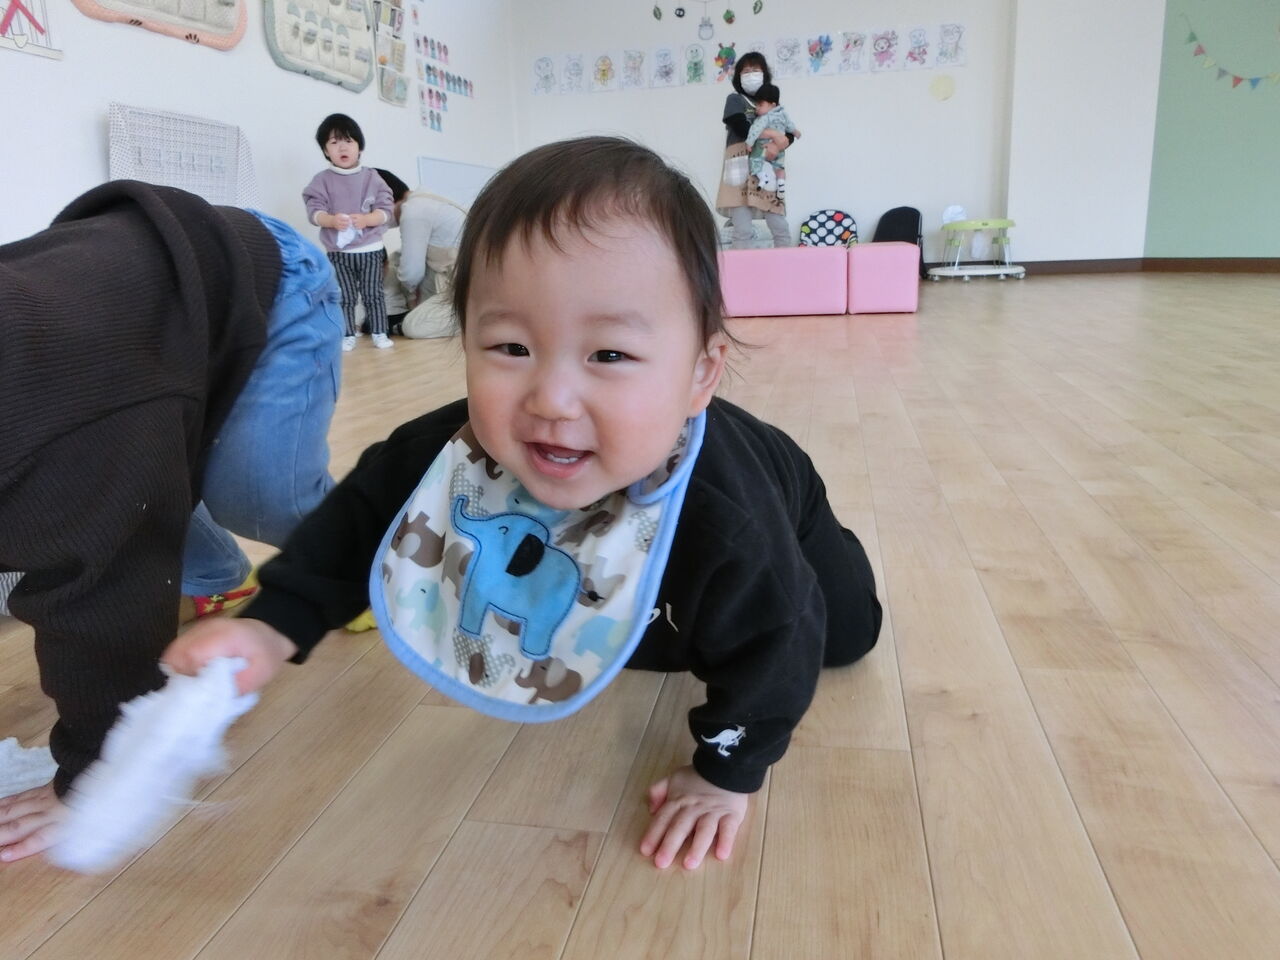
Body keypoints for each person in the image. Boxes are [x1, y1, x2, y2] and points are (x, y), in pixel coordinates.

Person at [163, 136, 883, 873]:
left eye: (609, 355)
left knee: (840, 633)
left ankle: (825, 549)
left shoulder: (734, 513)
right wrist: (273, 626)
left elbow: (781, 640)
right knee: (654, 634)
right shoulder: (448, 453)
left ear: (700, 375)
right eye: (511, 348)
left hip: (787, 505)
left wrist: (726, 774)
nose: (552, 400)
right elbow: (354, 524)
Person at [0, 180, 343, 862]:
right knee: (133, 482)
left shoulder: (49, 426)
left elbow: (103, 589)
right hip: (136, 341)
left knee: (257, 498)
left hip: (270, 279)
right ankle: (215, 574)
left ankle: (372, 554)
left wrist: (93, 770)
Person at [303, 113, 395, 351]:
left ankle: (379, 332)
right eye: (334, 142)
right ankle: (347, 333)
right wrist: (331, 220)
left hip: (371, 248)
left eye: (348, 141)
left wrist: (367, 219)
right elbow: (314, 211)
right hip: (338, 252)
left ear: (359, 147)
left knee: (373, 293)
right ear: (326, 151)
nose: (342, 147)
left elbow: (386, 209)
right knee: (344, 294)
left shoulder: (372, 177)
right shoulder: (321, 180)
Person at [372, 168, 467, 339]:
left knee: (413, 326)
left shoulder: (413, 211)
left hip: (463, 285)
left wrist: (411, 296)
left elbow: (411, 273)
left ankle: (474, 319)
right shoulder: (426, 199)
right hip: (453, 277)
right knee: (396, 258)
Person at [716, 52, 796, 249]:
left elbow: (788, 133)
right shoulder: (735, 99)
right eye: (746, 71)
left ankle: (786, 262)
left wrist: (778, 144)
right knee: (742, 228)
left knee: (778, 223)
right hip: (740, 163)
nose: (751, 74)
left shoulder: (773, 104)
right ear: (738, 76)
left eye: (755, 70)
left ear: (764, 74)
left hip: (766, 164)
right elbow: (741, 127)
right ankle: (740, 265)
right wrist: (773, 134)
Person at [745, 84, 799, 198]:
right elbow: (790, 126)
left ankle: (763, 177)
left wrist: (749, 143)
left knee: (754, 161)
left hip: (763, 147)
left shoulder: (764, 118)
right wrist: (796, 132)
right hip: (780, 149)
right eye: (756, 105)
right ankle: (781, 185)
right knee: (779, 168)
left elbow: (754, 131)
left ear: (773, 105)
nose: (757, 108)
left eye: (760, 105)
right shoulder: (783, 114)